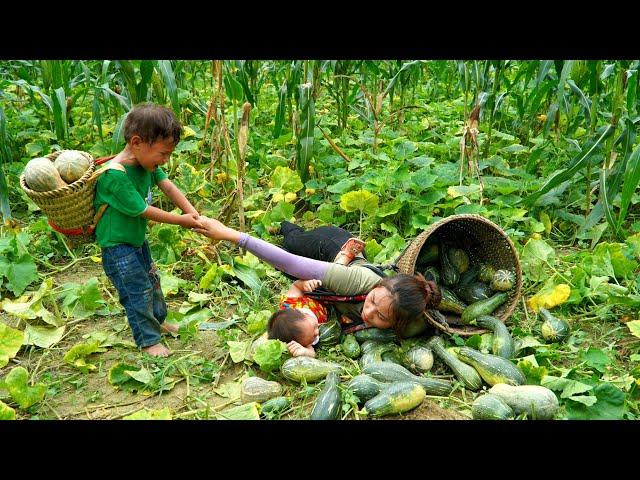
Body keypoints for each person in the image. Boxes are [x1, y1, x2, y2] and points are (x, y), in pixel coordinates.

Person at [194, 218, 442, 356]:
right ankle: (284, 224)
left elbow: (439, 322)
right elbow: (293, 264)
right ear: (380, 286)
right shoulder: (362, 282)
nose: (369, 313)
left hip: (326, 282)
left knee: (286, 266)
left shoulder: (409, 324)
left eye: (381, 317)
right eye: (373, 301)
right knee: (292, 244)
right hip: (330, 245)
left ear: (397, 323)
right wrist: (232, 235)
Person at [95, 103, 202, 357]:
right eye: (163, 154)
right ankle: (148, 340)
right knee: (136, 291)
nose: (165, 160)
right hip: (117, 247)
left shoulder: (147, 164)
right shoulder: (115, 176)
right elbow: (143, 210)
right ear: (136, 142)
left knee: (152, 281)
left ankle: (158, 322)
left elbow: (168, 186)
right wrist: (181, 220)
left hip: (135, 240)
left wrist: (192, 211)